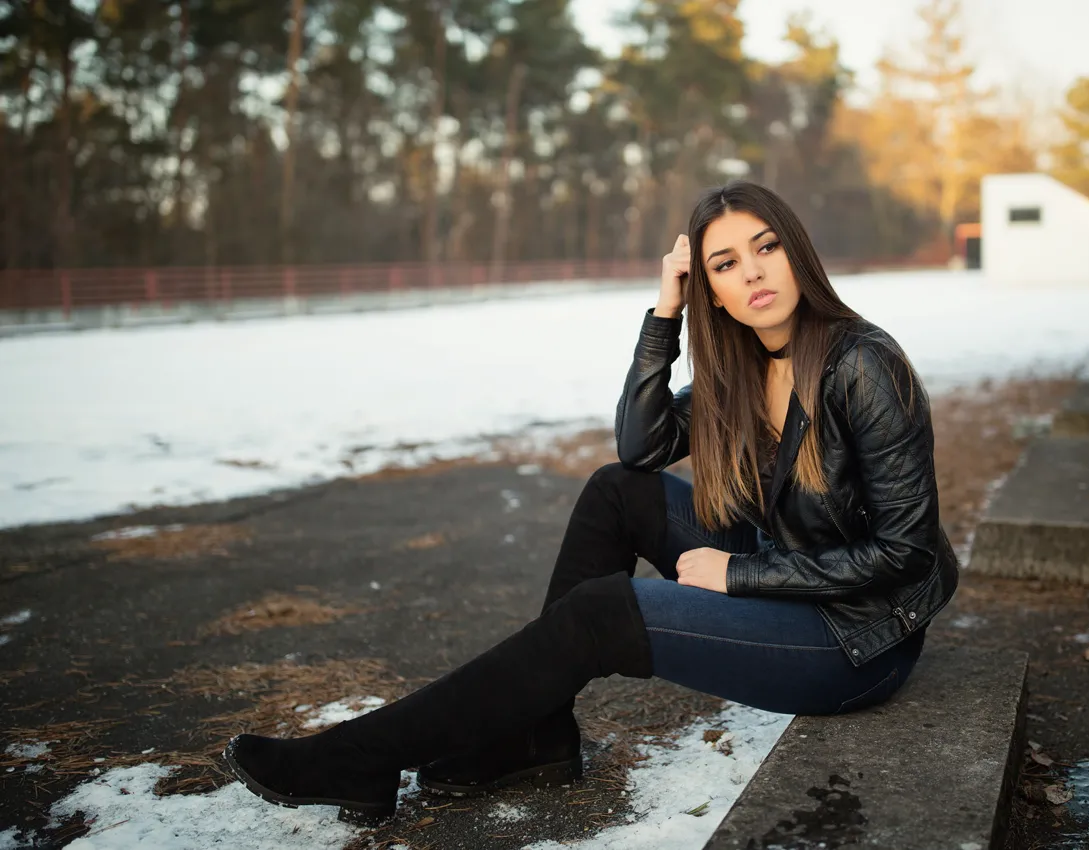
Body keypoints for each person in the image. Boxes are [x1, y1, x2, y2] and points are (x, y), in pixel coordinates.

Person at [223, 180, 959, 825]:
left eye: (766, 247)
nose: (753, 272)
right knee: (617, 491)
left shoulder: (863, 365)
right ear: (710, 289)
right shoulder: (740, 370)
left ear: (796, 252)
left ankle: (359, 755)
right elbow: (640, 448)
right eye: (725, 263)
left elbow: (905, 553)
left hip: (856, 640)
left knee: (604, 612)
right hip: (791, 573)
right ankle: (537, 734)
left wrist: (737, 575)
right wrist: (664, 314)